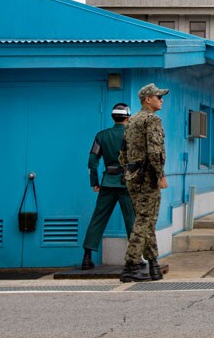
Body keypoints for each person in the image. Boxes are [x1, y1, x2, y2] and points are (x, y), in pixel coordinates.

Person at [119, 83, 169, 282]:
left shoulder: (131, 121)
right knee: (144, 221)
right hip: (147, 177)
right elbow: (155, 152)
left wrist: (129, 171)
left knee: (145, 221)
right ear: (148, 99)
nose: (161, 100)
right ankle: (130, 265)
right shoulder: (152, 120)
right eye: (158, 97)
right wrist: (160, 175)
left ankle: (153, 266)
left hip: (133, 176)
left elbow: (122, 153)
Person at [81, 103, 136, 270]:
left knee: (98, 218)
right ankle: (134, 259)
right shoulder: (133, 135)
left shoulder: (101, 136)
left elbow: (92, 162)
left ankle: (87, 257)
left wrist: (95, 182)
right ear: (128, 117)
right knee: (132, 219)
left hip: (107, 183)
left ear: (113, 117)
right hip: (128, 183)